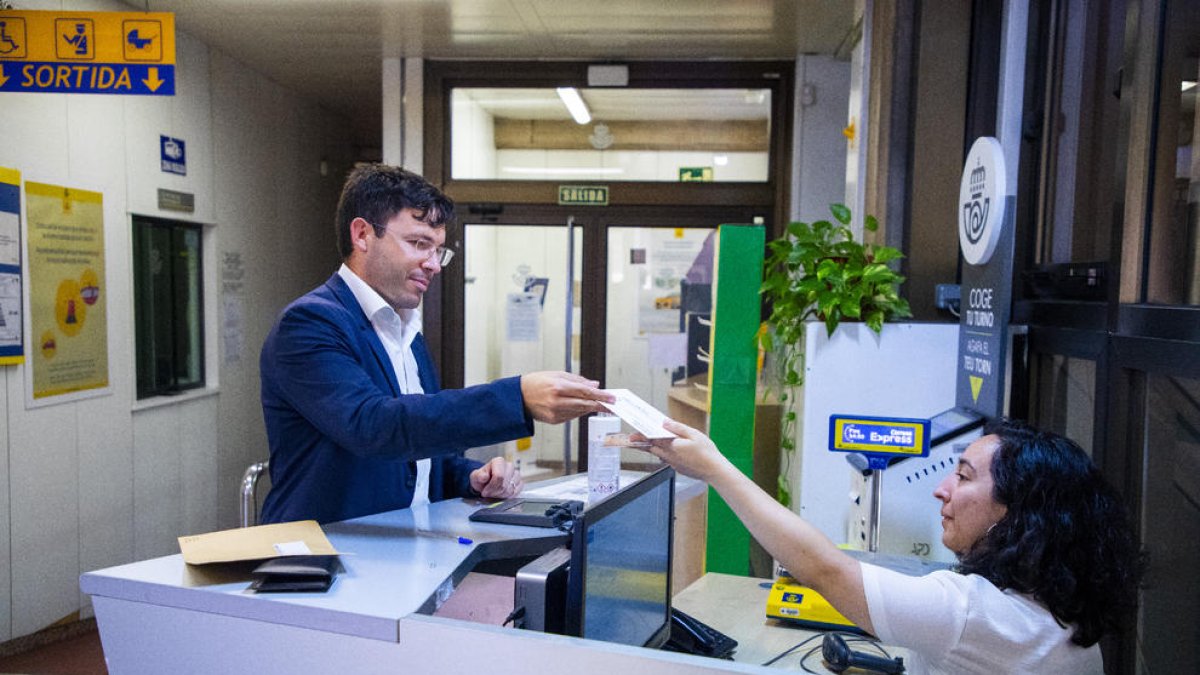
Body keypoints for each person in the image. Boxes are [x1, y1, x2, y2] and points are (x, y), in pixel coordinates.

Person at [642, 417, 1143, 674]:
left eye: (964, 477)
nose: (942, 488)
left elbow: (825, 570)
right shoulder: (1055, 608)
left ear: (1016, 511)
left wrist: (714, 468)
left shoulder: (976, 615)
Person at [260, 164, 613, 524]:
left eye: (439, 250)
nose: (433, 264)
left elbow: (420, 458)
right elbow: (375, 427)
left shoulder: (406, 331)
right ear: (363, 234)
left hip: (402, 554)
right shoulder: (310, 323)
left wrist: (472, 476)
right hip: (323, 561)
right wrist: (516, 398)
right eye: (419, 244)